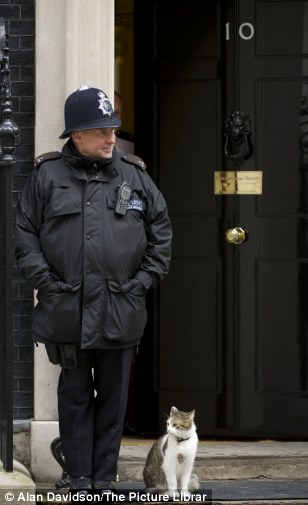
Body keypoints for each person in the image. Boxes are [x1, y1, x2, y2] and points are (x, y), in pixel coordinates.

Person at [15, 86, 172, 494]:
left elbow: (161, 234)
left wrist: (141, 283)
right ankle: (78, 477)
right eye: (100, 131)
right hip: (66, 305)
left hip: (121, 304)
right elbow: (25, 235)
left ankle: (104, 478)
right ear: (76, 136)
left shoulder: (134, 174)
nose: (110, 138)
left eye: (113, 129)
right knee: (74, 395)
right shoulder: (47, 175)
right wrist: (47, 284)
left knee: (115, 398)